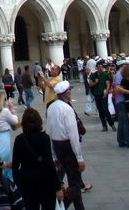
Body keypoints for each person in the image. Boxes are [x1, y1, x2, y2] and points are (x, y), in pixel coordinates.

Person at [11, 108, 63, 210]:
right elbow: (49, 164)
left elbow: (15, 165)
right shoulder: (44, 138)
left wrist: (17, 183)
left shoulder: (19, 139)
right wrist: (57, 187)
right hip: (44, 181)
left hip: (26, 180)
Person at [45, 81, 85, 210]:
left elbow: (49, 131)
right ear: (66, 93)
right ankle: (63, 204)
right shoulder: (67, 108)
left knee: (74, 181)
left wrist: (53, 154)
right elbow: (73, 134)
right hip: (68, 147)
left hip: (57, 145)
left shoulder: (51, 107)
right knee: (75, 182)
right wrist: (79, 157)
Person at [87, 60, 114, 132]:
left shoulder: (105, 75)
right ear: (96, 67)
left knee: (105, 110)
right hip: (96, 94)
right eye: (99, 67)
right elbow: (90, 84)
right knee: (100, 111)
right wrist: (95, 82)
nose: (100, 68)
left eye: (101, 67)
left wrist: (106, 91)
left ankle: (111, 124)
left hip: (103, 94)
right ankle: (104, 125)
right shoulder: (93, 75)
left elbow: (108, 85)